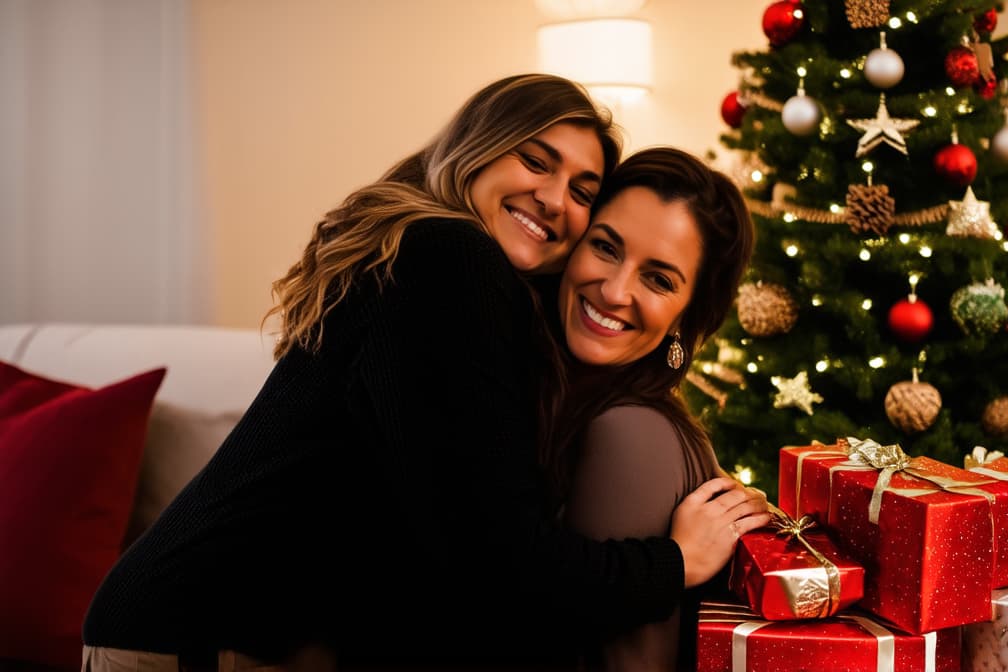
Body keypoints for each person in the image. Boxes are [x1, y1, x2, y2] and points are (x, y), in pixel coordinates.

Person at [82, 74, 768, 671]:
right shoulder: (450, 258)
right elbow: (499, 563)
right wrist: (673, 563)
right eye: (536, 160)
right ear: (476, 149)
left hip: (193, 627)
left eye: (583, 190)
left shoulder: (445, 275)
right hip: (198, 637)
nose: (555, 199)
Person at [539, 147, 759, 671]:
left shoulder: (627, 432)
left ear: (688, 314)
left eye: (659, 279)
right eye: (606, 247)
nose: (615, 291)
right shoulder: (579, 399)